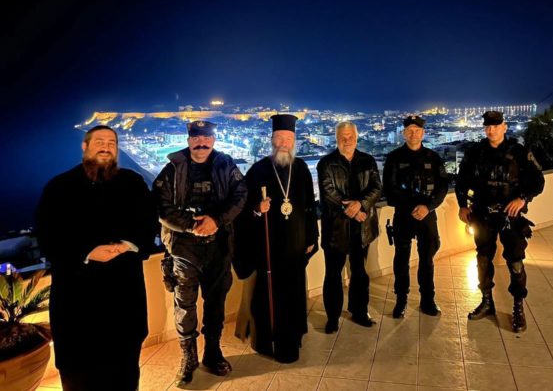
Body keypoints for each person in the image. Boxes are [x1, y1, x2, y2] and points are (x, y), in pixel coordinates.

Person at [36, 125, 157, 391]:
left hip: (124, 298)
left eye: (111, 143)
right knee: (79, 376)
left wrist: (126, 245)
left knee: (125, 373)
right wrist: (88, 252)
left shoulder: (133, 183)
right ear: (85, 146)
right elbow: (47, 236)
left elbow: (149, 224)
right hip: (77, 302)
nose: (106, 147)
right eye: (99, 141)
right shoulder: (59, 187)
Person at [153, 120, 247, 383]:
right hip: (184, 250)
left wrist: (216, 221)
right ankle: (189, 357)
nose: (201, 143)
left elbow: (240, 195)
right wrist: (192, 227)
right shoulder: (172, 169)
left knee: (216, 303)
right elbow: (161, 207)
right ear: (189, 141)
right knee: (185, 306)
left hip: (218, 246)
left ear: (213, 141)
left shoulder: (226, 164)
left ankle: (213, 353)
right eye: (196, 138)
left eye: (206, 138)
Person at [238, 114, 319, 363]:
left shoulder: (302, 169)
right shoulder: (258, 170)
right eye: (280, 138)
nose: (284, 143)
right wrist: (257, 208)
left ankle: (293, 336)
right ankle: (266, 340)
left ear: (294, 141)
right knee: (269, 296)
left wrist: (312, 236)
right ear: (272, 140)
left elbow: (310, 207)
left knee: (294, 293)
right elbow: (241, 208)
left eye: (288, 139)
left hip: (295, 245)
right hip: (269, 248)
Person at [456, 111, 545, 332]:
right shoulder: (475, 152)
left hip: (510, 216)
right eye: (488, 126)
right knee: (483, 259)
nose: (491, 130)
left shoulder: (519, 151)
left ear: (504, 127)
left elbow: (538, 180)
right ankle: (487, 302)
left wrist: (522, 198)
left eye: (496, 126)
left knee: (515, 261)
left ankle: (518, 307)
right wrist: (462, 205)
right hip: (482, 214)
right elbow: (461, 181)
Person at [317, 121, 382, 333]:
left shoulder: (368, 160)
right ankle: (332, 317)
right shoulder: (326, 163)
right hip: (336, 229)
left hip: (362, 228)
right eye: (343, 137)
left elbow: (377, 188)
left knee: (360, 273)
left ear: (356, 137)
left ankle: (359, 311)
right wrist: (354, 209)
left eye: (350, 137)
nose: (347, 141)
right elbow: (328, 193)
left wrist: (360, 204)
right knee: (333, 275)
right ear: (336, 139)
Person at [383, 115, 449, 318]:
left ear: (423, 133)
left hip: (427, 216)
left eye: (417, 130)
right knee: (401, 260)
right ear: (404, 133)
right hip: (404, 215)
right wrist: (413, 206)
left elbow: (442, 187)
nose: (413, 134)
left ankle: (427, 300)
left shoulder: (433, 157)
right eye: (409, 130)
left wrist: (428, 207)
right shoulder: (394, 158)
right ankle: (401, 300)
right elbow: (389, 189)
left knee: (427, 260)